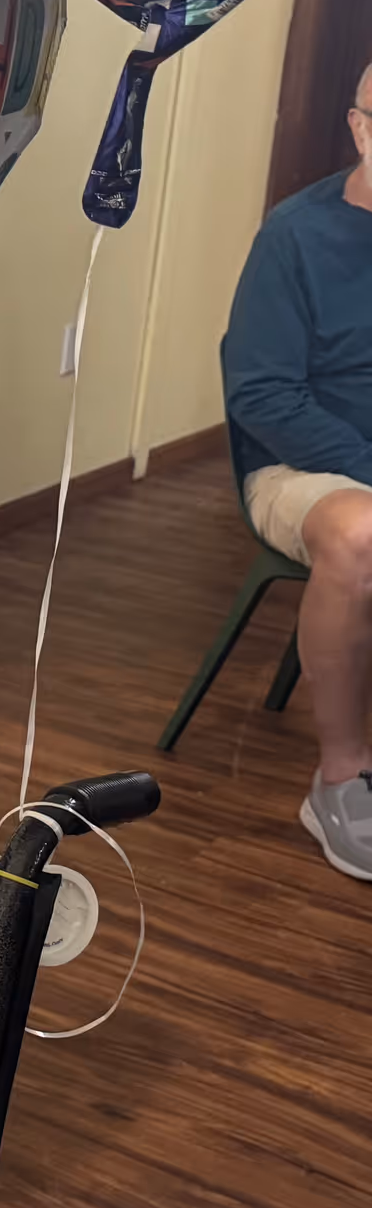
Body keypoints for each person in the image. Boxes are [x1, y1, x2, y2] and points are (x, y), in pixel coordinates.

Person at [224, 62, 372, 882]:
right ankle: (343, 780)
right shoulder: (297, 235)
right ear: (360, 128)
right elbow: (262, 395)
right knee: (363, 534)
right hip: (305, 467)